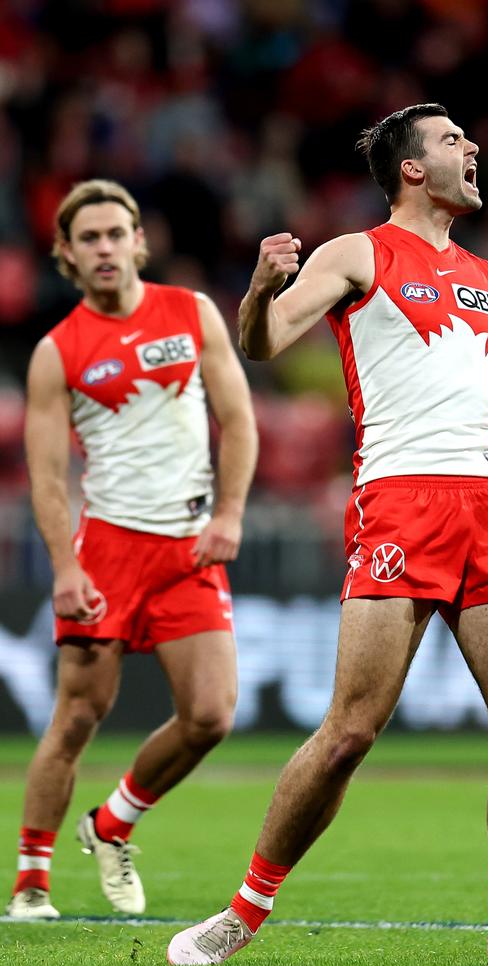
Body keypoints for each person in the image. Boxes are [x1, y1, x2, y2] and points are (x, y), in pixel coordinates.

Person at [168, 103, 488, 966]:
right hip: (400, 503)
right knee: (352, 730)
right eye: (452, 140)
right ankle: (243, 911)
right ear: (412, 170)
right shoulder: (358, 253)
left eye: (471, 137)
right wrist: (255, 291)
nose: (473, 148)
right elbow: (269, 341)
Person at [6, 179, 258, 920]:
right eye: (90, 238)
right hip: (108, 549)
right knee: (80, 714)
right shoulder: (58, 353)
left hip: (188, 546)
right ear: (67, 255)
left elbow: (239, 421)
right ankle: (30, 881)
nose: (106, 248)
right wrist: (64, 566)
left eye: (118, 233)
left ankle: (112, 822)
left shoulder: (191, 312)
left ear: (140, 241)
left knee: (211, 715)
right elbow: (47, 478)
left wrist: (232, 514)